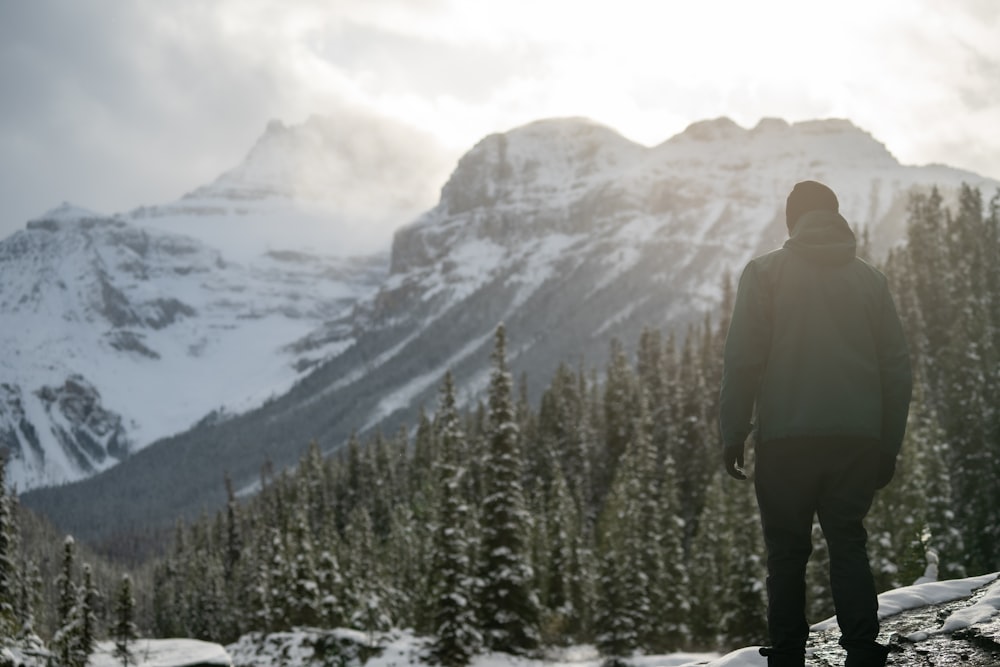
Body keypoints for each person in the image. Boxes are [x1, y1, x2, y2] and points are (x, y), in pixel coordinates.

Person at [718, 181, 913, 667]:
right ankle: (863, 650)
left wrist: (733, 431)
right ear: (835, 217)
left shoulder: (765, 273)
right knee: (848, 541)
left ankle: (787, 655)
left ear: (792, 221)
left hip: (786, 441)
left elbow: (743, 360)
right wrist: (887, 445)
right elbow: (896, 368)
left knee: (786, 553)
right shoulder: (871, 281)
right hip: (856, 441)